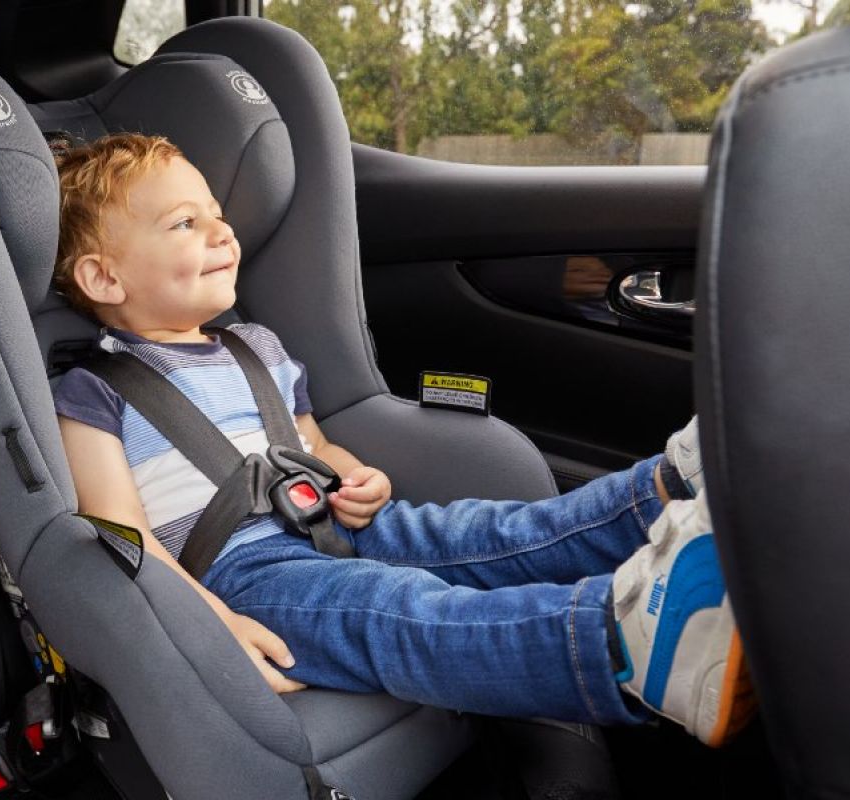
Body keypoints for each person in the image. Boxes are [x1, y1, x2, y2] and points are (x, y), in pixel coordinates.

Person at [49, 132, 753, 746]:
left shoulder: (254, 347)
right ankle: (622, 645)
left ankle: (662, 495)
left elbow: (310, 446)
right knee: (396, 610)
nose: (222, 232)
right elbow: (123, 537)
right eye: (184, 223)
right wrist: (213, 622)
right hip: (245, 577)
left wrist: (358, 478)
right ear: (103, 276)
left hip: (331, 522)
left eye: (219, 215)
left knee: (489, 533)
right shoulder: (95, 390)